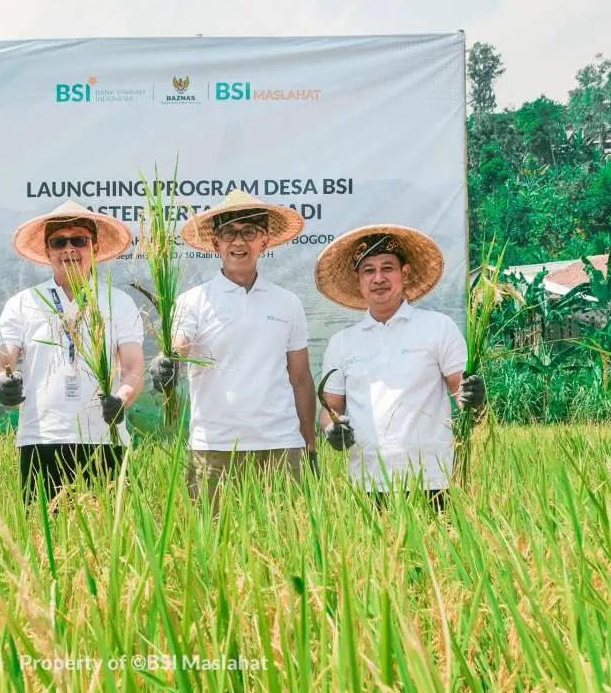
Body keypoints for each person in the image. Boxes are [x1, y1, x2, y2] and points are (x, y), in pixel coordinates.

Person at [151, 190, 316, 502]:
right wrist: (166, 360)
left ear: (264, 242)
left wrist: (309, 445)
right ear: (216, 243)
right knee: (212, 532)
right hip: (214, 446)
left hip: (280, 443)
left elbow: (301, 378)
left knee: (286, 531)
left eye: (249, 233)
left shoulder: (288, 302)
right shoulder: (192, 300)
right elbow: (179, 346)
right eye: (229, 233)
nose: (238, 242)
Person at [313, 224, 485, 510]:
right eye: (368, 270)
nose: (378, 278)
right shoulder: (342, 343)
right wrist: (332, 427)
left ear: (405, 273)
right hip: (366, 481)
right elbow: (330, 407)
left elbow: (463, 395)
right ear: (358, 280)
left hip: (433, 478)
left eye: (387, 268)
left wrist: (476, 398)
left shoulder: (438, 327)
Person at [0, 200, 145, 505]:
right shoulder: (23, 303)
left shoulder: (118, 302)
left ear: (95, 248)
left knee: (107, 530)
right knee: (41, 529)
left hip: (104, 437)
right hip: (41, 438)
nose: (69, 249)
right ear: (47, 251)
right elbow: (2, 362)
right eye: (59, 242)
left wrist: (122, 399)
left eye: (79, 240)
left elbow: (133, 368)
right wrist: (2, 382)